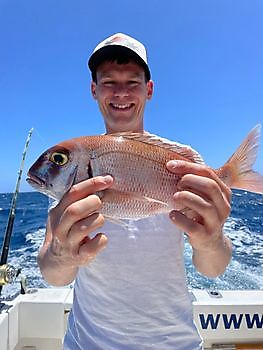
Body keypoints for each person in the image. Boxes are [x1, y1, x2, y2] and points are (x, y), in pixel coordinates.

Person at [38, 33, 232, 350]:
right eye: (109, 81)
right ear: (94, 90)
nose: (121, 92)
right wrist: (61, 252)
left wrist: (211, 239)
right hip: (88, 344)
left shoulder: (180, 163)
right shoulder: (74, 180)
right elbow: (54, 274)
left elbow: (214, 268)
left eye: (132, 82)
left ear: (149, 89)